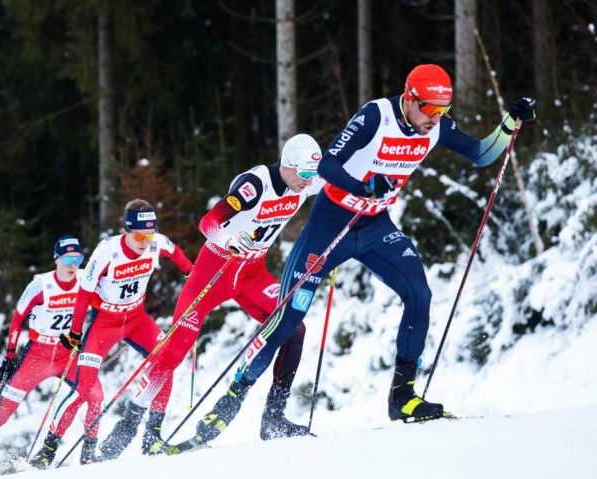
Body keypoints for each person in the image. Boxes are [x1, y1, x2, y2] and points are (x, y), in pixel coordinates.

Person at [172, 64, 537, 449]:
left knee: (419, 295)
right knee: (289, 317)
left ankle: (403, 397)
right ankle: (232, 401)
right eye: (430, 109)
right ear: (410, 99)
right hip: (331, 225)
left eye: (443, 111)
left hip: (376, 227)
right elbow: (329, 165)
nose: (437, 119)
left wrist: (510, 123)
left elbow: (480, 154)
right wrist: (365, 185)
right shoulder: (376, 116)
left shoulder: (438, 128)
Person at [110, 133, 325, 455]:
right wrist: (227, 240)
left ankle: (274, 418)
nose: (308, 183)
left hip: (252, 274)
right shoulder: (255, 184)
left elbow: (338, 176)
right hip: (214, 274)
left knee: (295, 328)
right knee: (173, 353)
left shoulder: (303, 181)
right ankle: (135, 428)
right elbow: (208, 222)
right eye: (305, 175)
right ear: (288, 165)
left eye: (312, 176)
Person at [29, 199, 193, 465]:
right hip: (104, 323)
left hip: (137, 319)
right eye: (139, 235)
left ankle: (152, 436)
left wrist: (191, 274)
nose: (144, 241)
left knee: (167, 360)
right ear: (126, 230)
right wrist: (75, 331)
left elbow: (177, 255)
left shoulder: (156, 242)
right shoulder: (107, 252)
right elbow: (84, 293)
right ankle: (48, 450)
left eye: (149, 235)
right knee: (83, 389)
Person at [0, 235, 99, 479]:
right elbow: (17, 318)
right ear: (56, 259)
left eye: (78, 258)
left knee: (96, 395)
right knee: (2, 413)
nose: (73, 264)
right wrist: (9, 355)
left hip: (68, 354)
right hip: (37, 356)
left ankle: (85, 454)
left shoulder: (85, 281)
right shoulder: (40, 285)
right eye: (68, 258)